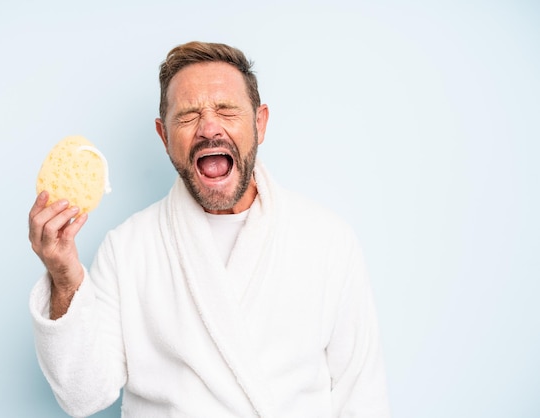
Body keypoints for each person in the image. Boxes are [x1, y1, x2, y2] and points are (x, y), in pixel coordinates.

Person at [28, 41, 390, 418]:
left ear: (260, 122)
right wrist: (65, 279)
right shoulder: (128, 248)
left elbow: (362, 398)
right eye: (187, 116)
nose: (209, 128)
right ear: (164, 136)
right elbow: (83, 395)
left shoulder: (327, 240)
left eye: (227, 110)